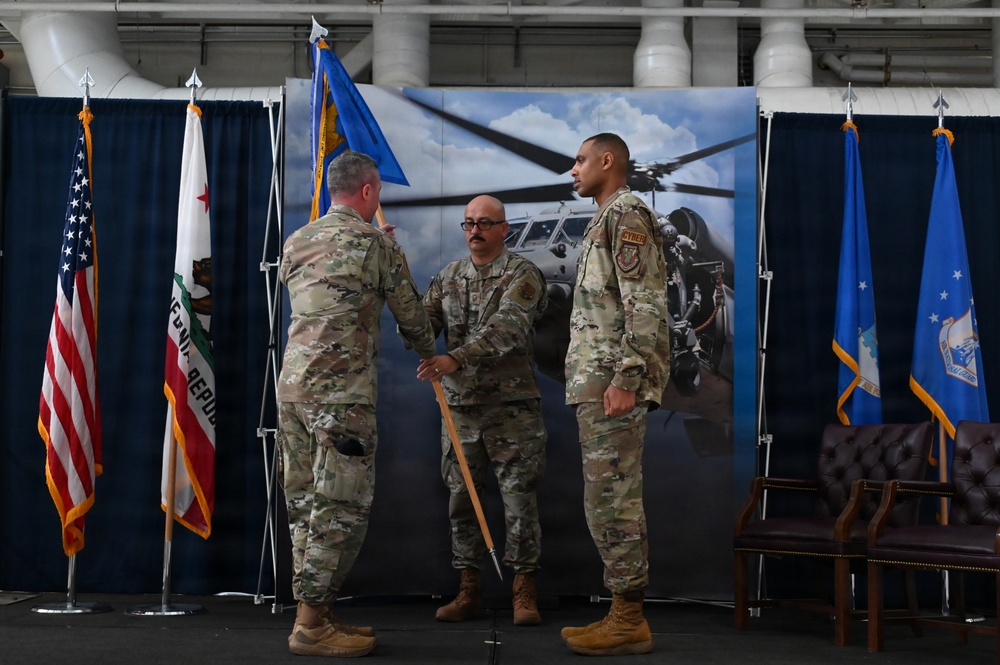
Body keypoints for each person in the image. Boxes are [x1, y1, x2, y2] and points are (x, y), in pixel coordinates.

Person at [277, 151, 436, 658]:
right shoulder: (375, 245)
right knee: (340, 508)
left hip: (293, 391)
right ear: (368, 191)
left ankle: (315, 611)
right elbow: (412, 315)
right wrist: (430, 351)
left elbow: (314, 289)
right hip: (341, 397)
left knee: (304, 505)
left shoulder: (297, 240)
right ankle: (310, 625)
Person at [559, 133, 671, 656]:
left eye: (581, 160)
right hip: (596, 382)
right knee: (605, 498)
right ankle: (622, 613)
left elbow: (643, 302)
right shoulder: (603, 219)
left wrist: (627, 378)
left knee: (613, 499)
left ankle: (628, 619)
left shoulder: (626, 215)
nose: (573, 169)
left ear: (608, 162)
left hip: (612, 383)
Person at [415, 195, 549, 626]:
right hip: (460, 410)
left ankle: (523, 591)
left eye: (485, 223)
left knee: (519, 499)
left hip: (512, 409)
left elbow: (509, 328)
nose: (475, 230)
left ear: (504, 229)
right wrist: (397, 286)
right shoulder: (449, 276)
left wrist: (455, 358)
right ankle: (468, 589)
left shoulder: (523, 274)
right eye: (469, 223)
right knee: (462, 500)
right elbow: (420, 328)